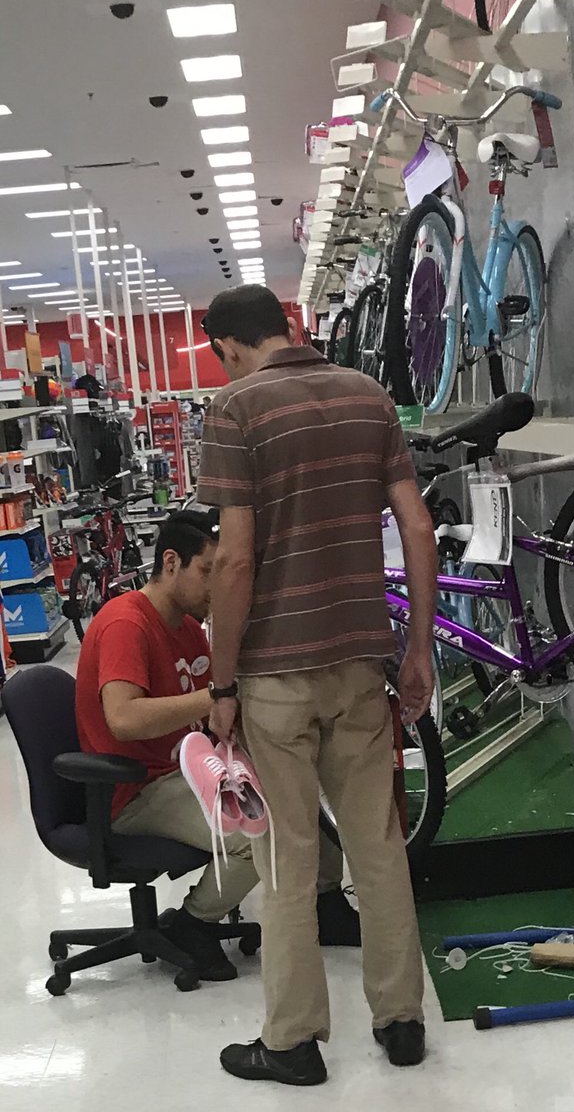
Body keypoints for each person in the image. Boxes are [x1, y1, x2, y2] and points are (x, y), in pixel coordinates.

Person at [197, 285, 438, 1088]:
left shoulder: (235, 410)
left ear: (228, 347)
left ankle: (294, 1042)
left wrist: (222, 682)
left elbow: (233, 560)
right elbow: (417, 528)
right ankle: (401, 1020)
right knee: (378, 847)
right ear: (288, 327)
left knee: (289, 861)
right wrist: (419, 652)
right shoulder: (368, 397)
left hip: (272, 676)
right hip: (360, 665)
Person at [75, 510, 358, 984]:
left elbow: (222, 710)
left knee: (296, 797)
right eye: (208, 571)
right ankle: (191, 923)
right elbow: (123, 719)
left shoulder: (187, 628)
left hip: (191, 769)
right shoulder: (126, 623)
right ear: (171, 562)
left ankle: (325, 903)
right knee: (256, 832)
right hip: (135, 789)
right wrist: (213, 696)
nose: (216, 586)